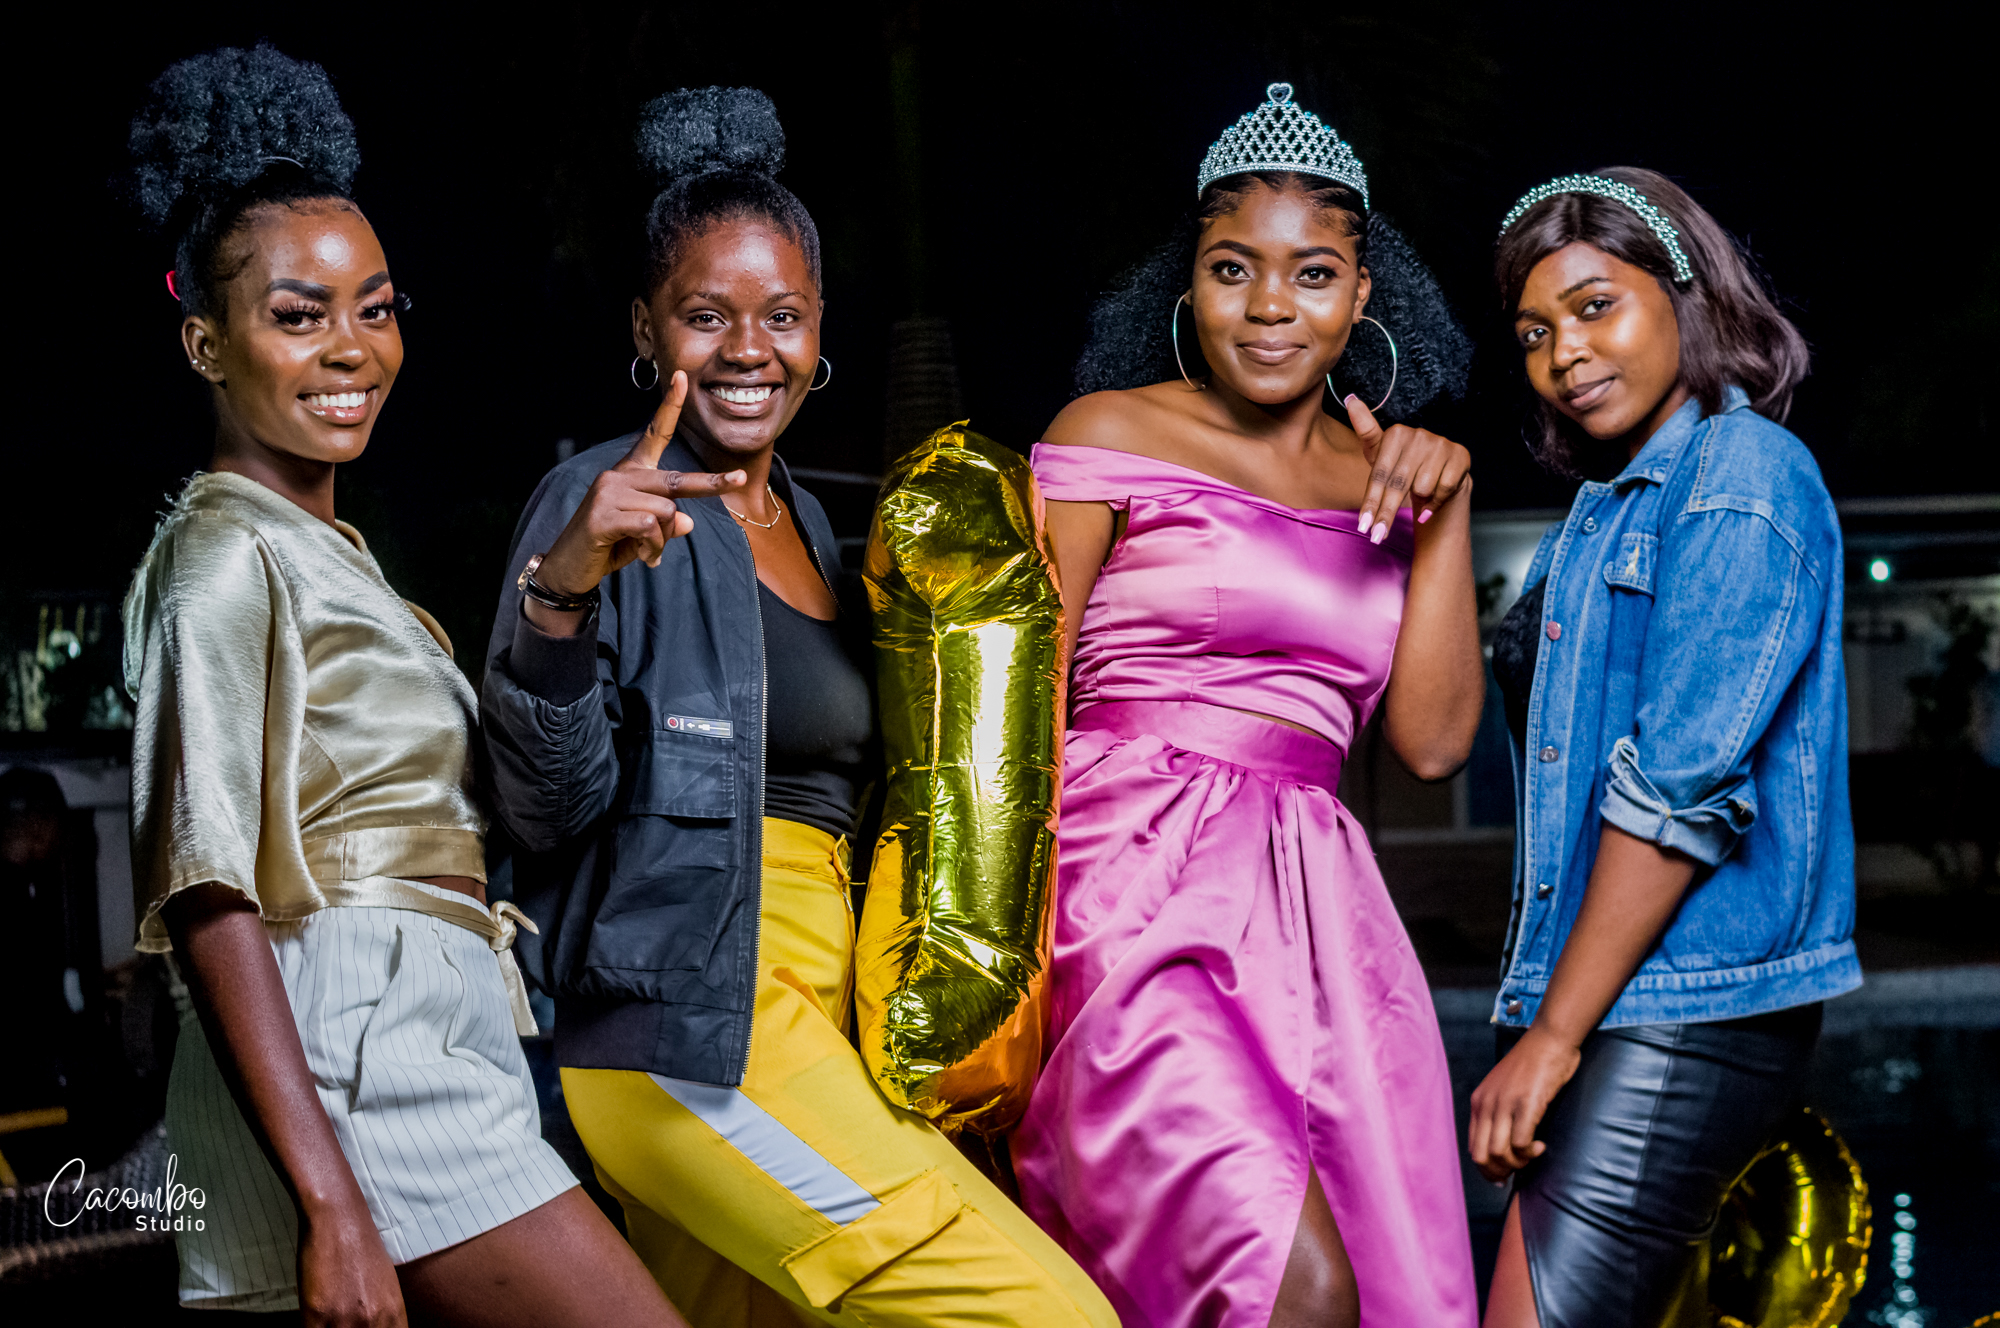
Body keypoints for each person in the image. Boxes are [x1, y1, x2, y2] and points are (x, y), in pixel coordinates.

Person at [478, 86, 1118, 1326]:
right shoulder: (603, 498)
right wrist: (560, 593)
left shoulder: (814, 525)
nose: (746, 348)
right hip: (687, 1023)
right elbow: (544, 808)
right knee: (1047, 1311)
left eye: (780, 314)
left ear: (819, 327)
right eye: (703, 315)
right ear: (647, 328)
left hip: (813, 1010)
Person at [121, 45, 685, 1327]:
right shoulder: (221, 553)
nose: (352, 349)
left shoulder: (328, 554)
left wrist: (564, 578)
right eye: (298, 315)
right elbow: (208, 885)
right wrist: (330, 1201)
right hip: (355, 1043)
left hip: (410, 1019)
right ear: (206, 341)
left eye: (374, 308)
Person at [1010, 83, 1486, 1328]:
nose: (1270, 306)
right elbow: (1014, 707)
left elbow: (1433, 743)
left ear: (1360, 296)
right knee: (1293, 1284)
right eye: (1233, 269)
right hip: (1126, 891)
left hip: (1317, 916)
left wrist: (1445, 520)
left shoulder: (1391, 481)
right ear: (1188, 282)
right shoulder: (1105, 433)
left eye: (1311, 274)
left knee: (1367, 1285)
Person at [1471, 169, 1858, 1328]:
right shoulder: (1606, 508)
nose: (1562, 353)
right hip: (1613, 993)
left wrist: (1550, 1036)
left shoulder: (1739, 472)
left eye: (1594, 306)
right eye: (1533, 332)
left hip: (1686, 1005)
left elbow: (1679, 789)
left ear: (1681, 292)